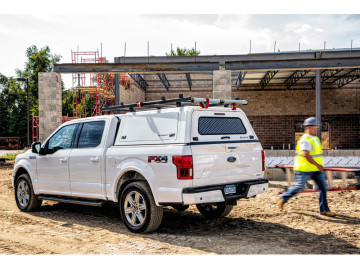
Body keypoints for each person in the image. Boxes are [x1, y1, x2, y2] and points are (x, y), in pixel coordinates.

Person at [278, 117, 336, 217]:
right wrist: (317, 165)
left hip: (315, 170)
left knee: (323, 188)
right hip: (304, 169)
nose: (317, 128)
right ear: (308, 127)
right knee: (299, 187)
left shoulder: (316, 138)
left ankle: (324, 210)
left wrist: (318, 166)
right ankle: (284, 197)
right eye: (314, 126)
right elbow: (306, 154)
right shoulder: (305, 139)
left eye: (317, 126)